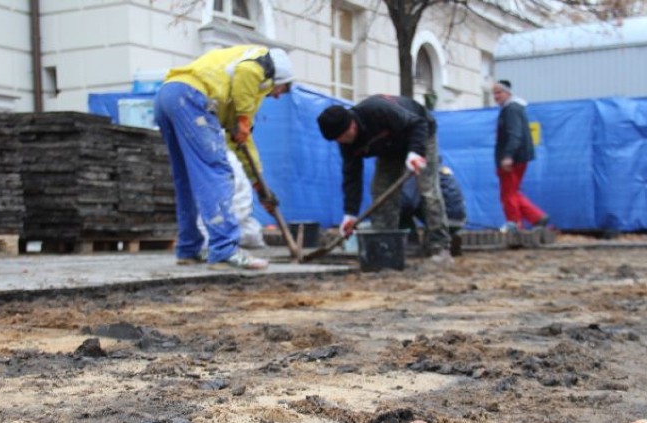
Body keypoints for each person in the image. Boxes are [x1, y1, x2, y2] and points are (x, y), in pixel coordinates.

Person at [154, 45, 293, 270]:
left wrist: (258, 185)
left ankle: (188, 248)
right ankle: (225, 250)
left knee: (187, 180)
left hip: (169, 95)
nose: (278, 96)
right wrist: (244, 119)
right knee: (216, 172)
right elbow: (246, 73)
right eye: (283, 89)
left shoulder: (235, 93)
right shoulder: (262, 65)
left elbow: (240, 140)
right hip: (192, 98)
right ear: (279, 78)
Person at [316, 95, 451, 261]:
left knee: (428, 189)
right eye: (337, 140)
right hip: (390, 148)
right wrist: (350, 214)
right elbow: (352, 176)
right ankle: (385, 246)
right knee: (381, 191)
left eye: (342, 136)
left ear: (351, 123)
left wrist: (416, 152)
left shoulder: (377, 110)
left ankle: (440, 247)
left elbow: (418, 123)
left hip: (419, 133)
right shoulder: (345, 143)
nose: (342, 141)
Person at [492, 80, 549, 233]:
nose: (496, 96)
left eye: (499, 92)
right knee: (513, 191)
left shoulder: (510, 110)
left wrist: (508, 155)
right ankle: (537, 217)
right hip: (519, 157)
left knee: (508, 193)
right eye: (494, 93)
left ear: (508, 93)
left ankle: (514, 224)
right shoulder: (515, 108)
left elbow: (514, 134)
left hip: (513, 159)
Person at [399, 159, 467, 236]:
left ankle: (408, 243)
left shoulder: (416, 166)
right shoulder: (435, 166)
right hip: (458, 219)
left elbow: (408, 202)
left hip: (443, 220)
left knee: (399, 211)